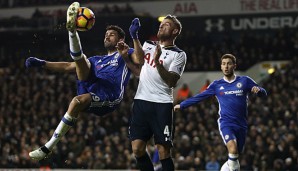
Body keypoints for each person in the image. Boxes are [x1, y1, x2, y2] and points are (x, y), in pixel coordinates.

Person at [26, 2, 143, 161]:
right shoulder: (97, 59)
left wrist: (135, 37)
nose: (107, 36)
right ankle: (72, 32)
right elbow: (68, 66)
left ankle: (48, 147)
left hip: (109, 94)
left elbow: (140, 60)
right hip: (91, 86)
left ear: (121, 39)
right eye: (106, 34)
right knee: (84, 61)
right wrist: (42, 63)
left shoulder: (125, 52)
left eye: (112, 34)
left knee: (76, 101)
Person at [174, 54, 267, 171]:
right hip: (226, 123)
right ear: (221, 67)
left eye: (228, 63)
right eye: (223, 64)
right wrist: (182, 105)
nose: (226, 66)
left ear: (234, 66)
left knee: (236, 155)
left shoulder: (245, 81)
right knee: (232, 149)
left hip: (241, 124)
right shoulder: (217, 85)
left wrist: (259, 91)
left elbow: (264, 93)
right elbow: (200, 97)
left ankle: (225, 168)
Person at [129, 15, 187, 171]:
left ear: (175, 31)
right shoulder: (149, 44)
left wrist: (158, 63)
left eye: (166, 25)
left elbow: (172, 81)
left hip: (161, 104)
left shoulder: (179, 54)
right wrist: (135, 37)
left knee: (163, 150)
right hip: (141, 101)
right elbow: (139, 60)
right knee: (137, 148)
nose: (161, 26)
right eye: (161, 24)